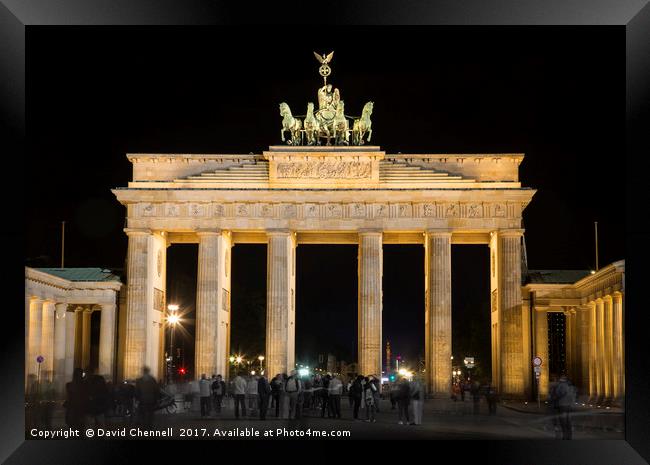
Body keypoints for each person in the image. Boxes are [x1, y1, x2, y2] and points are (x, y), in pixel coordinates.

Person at [553, 374, 576, 440]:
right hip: (569, 405)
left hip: (562, 405)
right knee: (569, 421)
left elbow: (558, 394)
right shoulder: (571, 386)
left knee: (563, 421)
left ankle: (565, 436)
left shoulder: (560, 385)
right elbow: (574, 395)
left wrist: (555, 397)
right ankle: (569, 436)